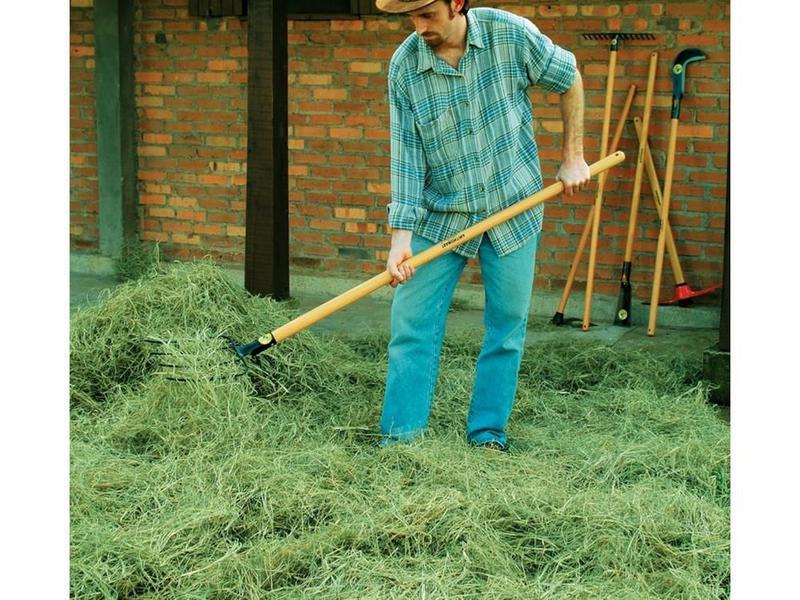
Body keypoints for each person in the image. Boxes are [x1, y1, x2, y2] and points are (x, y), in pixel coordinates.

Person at [375, 0, 591, 450]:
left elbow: (568, 76)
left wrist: (572, 156)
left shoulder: (509, 35)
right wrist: (401, 239)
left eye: (427, 15)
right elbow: (407, 158)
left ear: (457, 3)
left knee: (506, 327)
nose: (419, 27)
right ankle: (401, 440)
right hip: (442, 214)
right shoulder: (405, 68)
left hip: (514, 206)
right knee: (411, 324)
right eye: (410, 18)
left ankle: (488, 433)